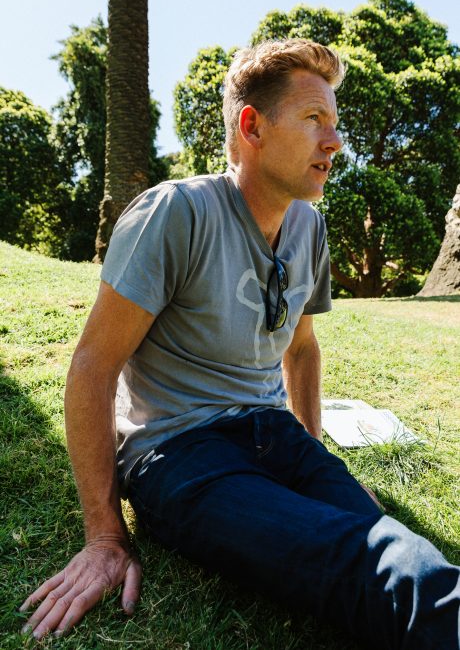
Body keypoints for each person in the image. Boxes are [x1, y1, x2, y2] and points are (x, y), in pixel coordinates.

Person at [20, 39, 459, 649]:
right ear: (251, 126)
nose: (335, 142)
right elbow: (93, 366)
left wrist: (313, 460)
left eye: (335, 124)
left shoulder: (308, 223)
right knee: (357, 554)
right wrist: (104, 537)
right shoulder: (175, 213)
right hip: (180, 452)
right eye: (314, 121)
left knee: (384, 533)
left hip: (273, 434)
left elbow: (301, 348)